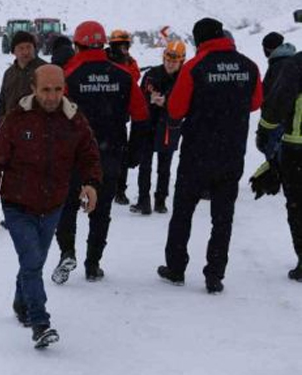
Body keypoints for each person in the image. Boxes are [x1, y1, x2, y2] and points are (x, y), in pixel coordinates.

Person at [0, 64, 102, 348]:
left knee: (32, 262)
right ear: (33, 89)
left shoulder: (74, 120)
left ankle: (21, 302)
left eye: (58, 89)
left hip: (53, 206)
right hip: (17, 205)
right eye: (46, 89)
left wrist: (91, 184)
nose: (52, 96)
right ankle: (40, 323)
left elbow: (89, 155)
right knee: (33, 262)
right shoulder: (15, 120)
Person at [157, 17, 263, 293]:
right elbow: (255, 103)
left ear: (199, 40)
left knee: (183, 212)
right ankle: (215, 274)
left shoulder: (194, 67)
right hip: (231, 153)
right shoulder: (248, 66)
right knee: (223, 217)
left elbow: (176, 109)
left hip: (197, 154)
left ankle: (176, 267)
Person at [53, 21, 148, 283]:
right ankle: (93, 265)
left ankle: (66, 252)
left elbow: (53, 117)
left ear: (76, 45)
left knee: (67, 206)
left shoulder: (67, 75)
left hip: (73, 154)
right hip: (109, 152)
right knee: (101, 210)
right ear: (103, 44)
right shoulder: (124, 75)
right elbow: (141, 116)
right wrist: (134, 153)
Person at [257, 45, 302, 281]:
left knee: (297, 206)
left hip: (297, 146)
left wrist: (264, 130)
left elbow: (278, 102)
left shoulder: (297, 65)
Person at [129, 40, 187, 215]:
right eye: (168, 60)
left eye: (174, 61)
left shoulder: (185, 78)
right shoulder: (151, 75)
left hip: (169, 127)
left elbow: (187, 102)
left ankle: (160, 201)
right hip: (149, 125)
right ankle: (143, 201)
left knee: (165, 166)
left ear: (181, 61)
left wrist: (167, 103)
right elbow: (139, 98)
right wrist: (150, 100)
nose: (170, 64)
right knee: (145, 164)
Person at [106, 29, 142, 206]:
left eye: (126, 45)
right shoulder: (103, 59)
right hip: (101, 113)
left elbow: (134, 76)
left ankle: (120, 190)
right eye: (120, 45)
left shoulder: (130, 62)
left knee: (121, 154)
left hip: (120, 115)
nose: (124, 48)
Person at [0, 31, 47, 119]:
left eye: (29, 47)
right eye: (21, 48)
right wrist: (1, 123)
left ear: (34, 48)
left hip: (38, 125)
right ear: (14, 51)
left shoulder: (45, 70)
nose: (25, 52)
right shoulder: (9, 73)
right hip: (12, 126)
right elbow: (2, 101)